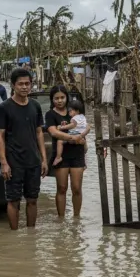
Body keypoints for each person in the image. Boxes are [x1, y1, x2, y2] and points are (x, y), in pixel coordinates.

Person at [0, 68, 48, 230]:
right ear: (13, 85)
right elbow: (0, 136)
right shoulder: (4, 108)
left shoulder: (35, 106)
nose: (24, 87)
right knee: (13, 200)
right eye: (21, 84)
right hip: (14, 162)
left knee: (32, 199)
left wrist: (44, 159)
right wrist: (4, 162)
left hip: (33, 161)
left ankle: (31, 235)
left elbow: (39, 133)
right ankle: (14, 234)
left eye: (27, 84)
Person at [44, 85, 90, 217]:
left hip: (77, 154)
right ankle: (61, 219)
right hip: (61, 155)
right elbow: (53, 132)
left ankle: (77, 218)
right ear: (52, 100)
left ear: (67, 97)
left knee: (76, 188)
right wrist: (73, 138)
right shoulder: (50, 115)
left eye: (62, 97)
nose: (59, 100)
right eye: (56, 98)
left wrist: (81, 137)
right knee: (62, 188)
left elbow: (85, 127)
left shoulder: (75, 113)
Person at [52, 100, 87, 166]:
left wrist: (62, 127)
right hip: (80, 137)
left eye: (71, 110)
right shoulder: (82, 117)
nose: (69, 111)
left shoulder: (74, 118)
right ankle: (84, 164)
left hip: (73, 136)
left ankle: (58, 157)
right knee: (82, 151)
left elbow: (72, 125)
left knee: (59, 141)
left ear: (77, 111)